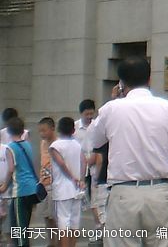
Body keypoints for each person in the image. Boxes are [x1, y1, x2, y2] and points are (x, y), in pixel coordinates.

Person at [87, 56, 168, 247]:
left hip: (124, 194)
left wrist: (113, 101)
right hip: (159, 191)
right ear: (149, 79)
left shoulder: (111, 109)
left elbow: (94, 140)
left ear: (121, 83)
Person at [0, 116, 39, 247]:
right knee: (23, 226)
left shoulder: (9, 147)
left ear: (8, 131)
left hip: (20, 190)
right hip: (32, 188)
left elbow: (11, 169)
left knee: (18, 227)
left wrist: (4, 185)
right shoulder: (27, 144)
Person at [49, 117, 85, 247]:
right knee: (75, 221)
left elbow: (61, 164)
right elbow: (83, 161)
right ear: (73, 130)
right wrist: (81, 179)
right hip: (77, 188)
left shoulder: (55, 146)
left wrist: (71, 177)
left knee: (63, 222)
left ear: (59, 129)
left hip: (62, 188)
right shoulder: (77, 145)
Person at [75, 99, 100, 238]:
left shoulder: (97, 126)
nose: (90, 116)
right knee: (83, 199)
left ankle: (98, 228)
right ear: (81, 113)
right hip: (81, 168)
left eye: (92, 113)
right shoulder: (75, 128)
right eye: (87, 114)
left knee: (95, 200)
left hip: (95, 167)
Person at [37, 117, 57, 246]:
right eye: (40, 131)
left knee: (55, 217)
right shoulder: (42, 143)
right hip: (44, 184)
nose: (42, 134)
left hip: (55, 184)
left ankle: (57, 243)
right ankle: (51, 242)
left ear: (52, 129)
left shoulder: (58, 144)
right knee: (46, 216)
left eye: (44, 130)